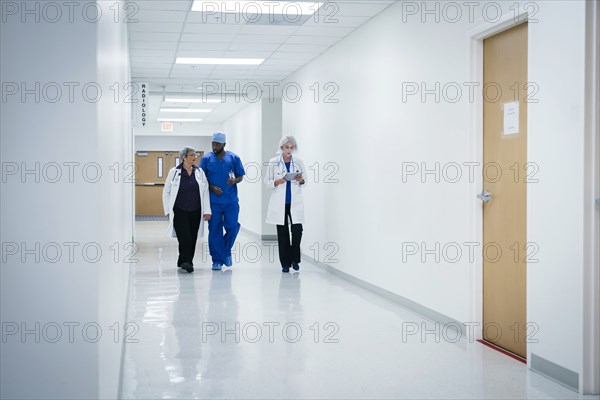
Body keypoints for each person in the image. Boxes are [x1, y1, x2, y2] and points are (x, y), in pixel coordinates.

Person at [200, 132, 245, 271]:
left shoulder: (233, 158)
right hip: (213, 201)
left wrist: (234, 181)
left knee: (232, 226)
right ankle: (217, 260)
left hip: (231, 200)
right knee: (214, 230)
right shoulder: (207, 158)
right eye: (213, 143)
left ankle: (225, 251)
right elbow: (201, 178)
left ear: (224, 144)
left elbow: (240, 176)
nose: (214, 146)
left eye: (217, 144)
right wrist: (212, 187)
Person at [162, 147, 212, 273]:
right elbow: (166, 191)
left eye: (195, 155)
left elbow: (205, 192)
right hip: (179, 210)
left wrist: (207, 211)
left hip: (195, 210)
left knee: (192, 237)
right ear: (184, 157)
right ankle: (187, 262)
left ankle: (182, 259)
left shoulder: (200, 172)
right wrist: (168, 210)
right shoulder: (174, 172)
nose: (195, 157)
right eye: (191, 155)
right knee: (184, 237)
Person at [265, 136, 307, 273]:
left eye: (291, 147)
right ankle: (285, 264)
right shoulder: (273, 162)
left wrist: (300, 180)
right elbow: (267, 181)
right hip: (280, 204)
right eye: (286, 147)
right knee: (282, 234)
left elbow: (305, 181)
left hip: (295, 203)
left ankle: (295, 259)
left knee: (297, 232)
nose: (289, 150)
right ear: (281, 148)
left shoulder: (299, 162)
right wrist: (276, 182)